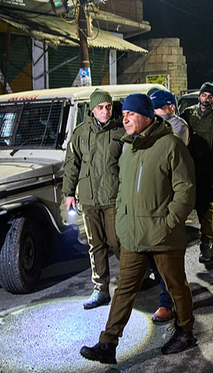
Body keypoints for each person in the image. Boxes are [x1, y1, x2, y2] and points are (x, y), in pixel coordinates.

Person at [80, 94, 197, 364]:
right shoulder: (129, 148)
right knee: (123, 290)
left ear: (147, 116)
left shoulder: (170, 145)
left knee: (176, 286)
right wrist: (122, 220)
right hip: (133, 235)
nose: (125, 118)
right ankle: (107, 343)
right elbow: (122, 189)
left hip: (163, 236)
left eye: (131, 114)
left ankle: (185, 331)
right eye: (124, 115)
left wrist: (169, 223)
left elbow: (186, 189)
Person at [62, 89, 124, 310]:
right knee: (95, 244)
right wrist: (69, 193)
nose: (105, 111)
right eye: (100, 107)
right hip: (89, 198)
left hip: (112, 197)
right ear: (92, 109)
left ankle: (131, 283)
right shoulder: (80, 133)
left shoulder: (120, 131)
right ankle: (101, 289)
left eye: (108, 107)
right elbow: (72, 164)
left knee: (118, 242)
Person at [146, 89, 192, 323]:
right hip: (148, 200)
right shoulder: (147, 127)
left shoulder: (177, 126)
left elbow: (167, 155)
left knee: (168, 253)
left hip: (168, 199)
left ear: (170, 107)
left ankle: (168, 303)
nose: (154, 113)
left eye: (157, 108)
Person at [181, 82, 213, 263]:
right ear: (199, 96)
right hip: (188, 169)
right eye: (204, 95)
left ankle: (206, 243)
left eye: (210, 96)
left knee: (206, 206)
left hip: (209, 169)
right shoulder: (187, 114)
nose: (206, 99)